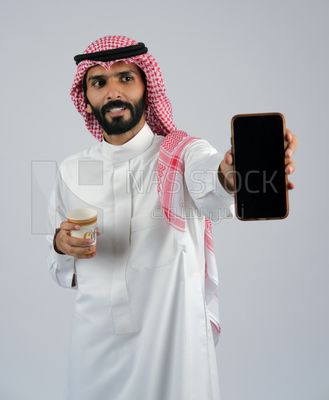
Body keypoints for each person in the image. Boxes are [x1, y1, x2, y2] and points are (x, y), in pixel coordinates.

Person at [47, 35, 297, 400]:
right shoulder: (70, 170)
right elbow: (59, 270)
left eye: (126, 78)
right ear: (86, 98)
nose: (113, 91)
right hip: (93, 350)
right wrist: (60, 243)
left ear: (147, 87)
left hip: (170, 346)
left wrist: (233, 173)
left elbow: (213, 183)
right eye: (99, 82)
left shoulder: (182, 153)